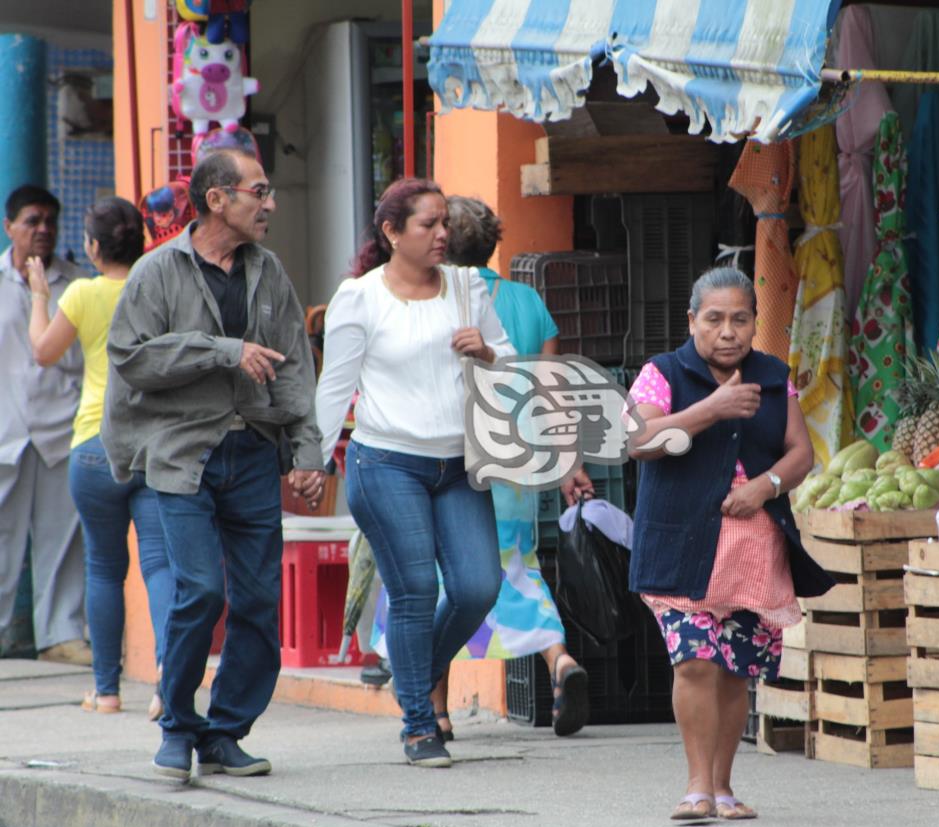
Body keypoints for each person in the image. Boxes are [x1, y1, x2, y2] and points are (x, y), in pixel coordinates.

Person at [103, 149, 327, 782]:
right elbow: (133, 359)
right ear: (217, 199)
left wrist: (307, 453)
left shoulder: (269, 271)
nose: (271, 204)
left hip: (253, 454)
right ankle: (177, 724)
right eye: (260, 191)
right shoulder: (156, 271)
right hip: (181, 456)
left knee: (260, 602)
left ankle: (226, 732)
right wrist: (222, 350)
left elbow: (292, 366)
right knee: (201, 591)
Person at [314, 178, 514, 768]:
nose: (442, 234)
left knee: (479, 586)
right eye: (428, 224)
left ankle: (412, 671)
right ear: (392, 232)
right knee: (414, 592)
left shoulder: (468, 286)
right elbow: (336, 385)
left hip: (459, 463)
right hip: (387, 462)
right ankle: (419, 724)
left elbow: (509, 368)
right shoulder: (360, 297)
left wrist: (487, 352)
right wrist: (315, 459)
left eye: (445, 223)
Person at [625, 267, 833, 821]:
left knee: (735, 669)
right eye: (714, 319)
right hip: (682, 545)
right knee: (695, 661)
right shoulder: (661, 373)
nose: (727, 331)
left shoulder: (772, 376)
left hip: (753, 549)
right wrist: (710, 410)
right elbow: (642, 441)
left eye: (740, 319)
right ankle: (695, 787)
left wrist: (766, 487)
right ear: (691, 320)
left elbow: (800, 453)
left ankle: (722, 787)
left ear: (754, 323)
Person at [422, 196, 589, 739]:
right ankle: (560, 663)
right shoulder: (527, 300)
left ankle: (437, 710)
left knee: (446, 576)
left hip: (448, 455)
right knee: (519, 566)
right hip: (515, 456)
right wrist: (569, 464)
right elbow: (552, 390)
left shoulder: (435, 300)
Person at [27, 197, 172, 719]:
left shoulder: (84, 293)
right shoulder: (156, 286)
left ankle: (107, 692)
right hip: (155, 446)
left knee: (105, 569)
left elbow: (42, 351)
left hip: (93, 445)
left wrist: (41, 296)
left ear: (91, 247)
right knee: (160, 565)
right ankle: (166, 689)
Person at [0, 185, 89, 665]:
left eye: (50, 221)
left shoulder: (76, 285)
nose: (43, 230)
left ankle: (60, 635)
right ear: (9, 226)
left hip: (60, 429)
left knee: (62, 541)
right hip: (4, 433)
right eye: (32, 221)